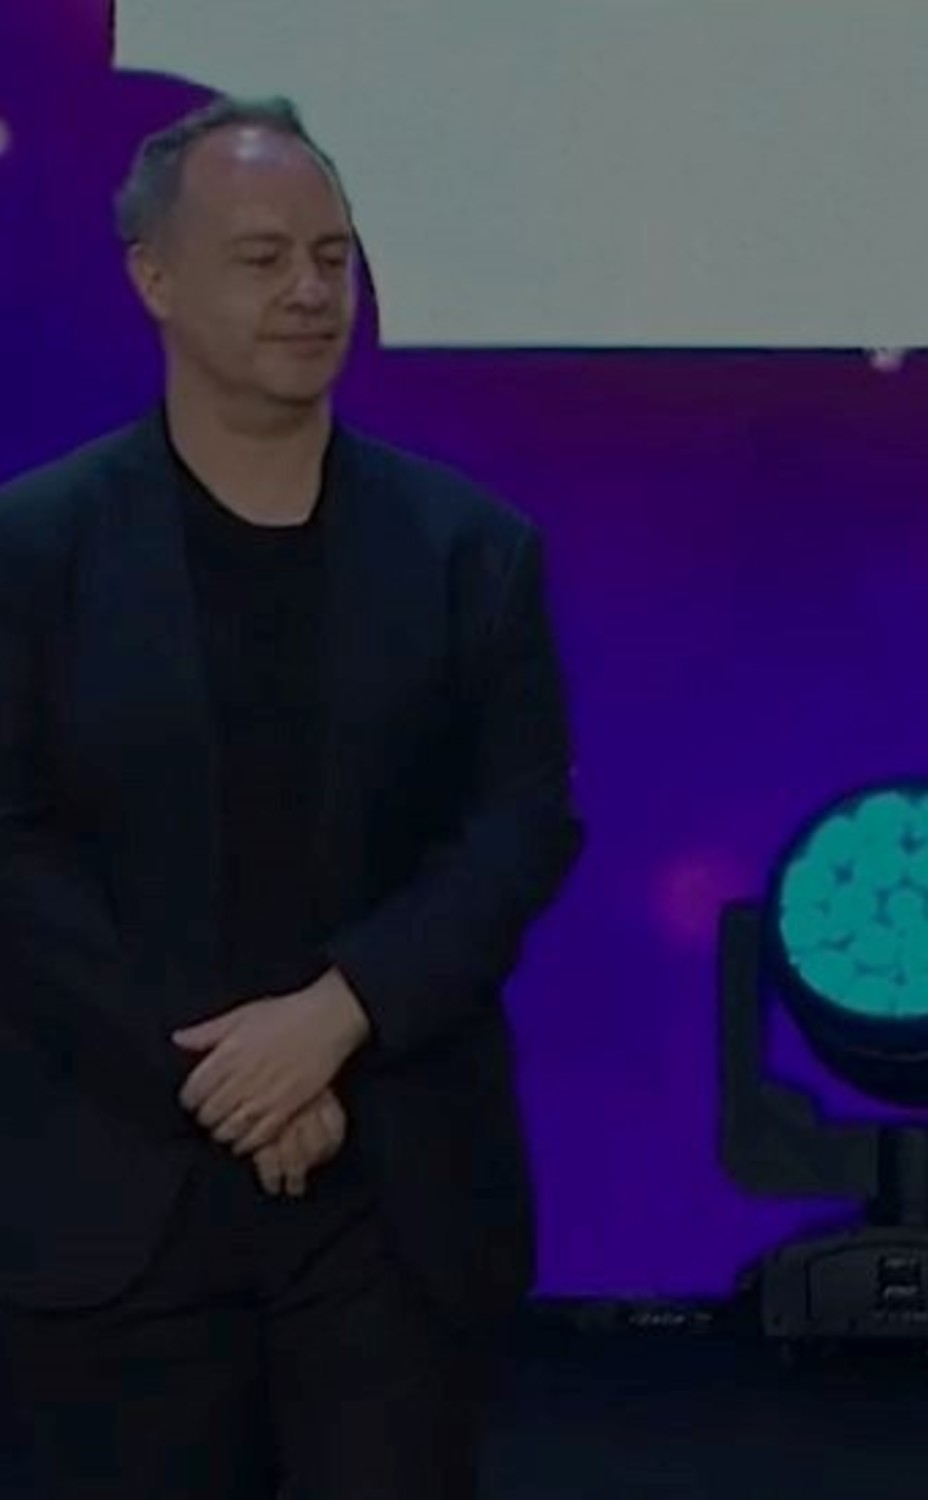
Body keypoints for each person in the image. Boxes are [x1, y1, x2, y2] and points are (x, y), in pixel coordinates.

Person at [0, 96, 583, 1498]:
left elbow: (520, 828)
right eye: (264, 259)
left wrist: (338, 1015)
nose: (313, 291)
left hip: (398, 1202)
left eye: (333, 256)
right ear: (155, 278)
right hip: (113, 1204)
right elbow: (13, 851)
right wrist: (234, 1082)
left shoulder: (471, 550)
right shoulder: (34, 552)